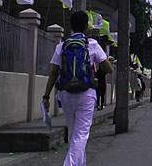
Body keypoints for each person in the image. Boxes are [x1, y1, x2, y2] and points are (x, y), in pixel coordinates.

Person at [43, 10, 113, 166]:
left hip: (66, 94)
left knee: (74, 134)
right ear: (86, 26)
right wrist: (95, 65)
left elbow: (54, 72)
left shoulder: (62, 45)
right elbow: (109, 69)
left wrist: (46, 97)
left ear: (72, 26)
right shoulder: (92, 44)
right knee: (81, 135)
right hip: (86, 94)